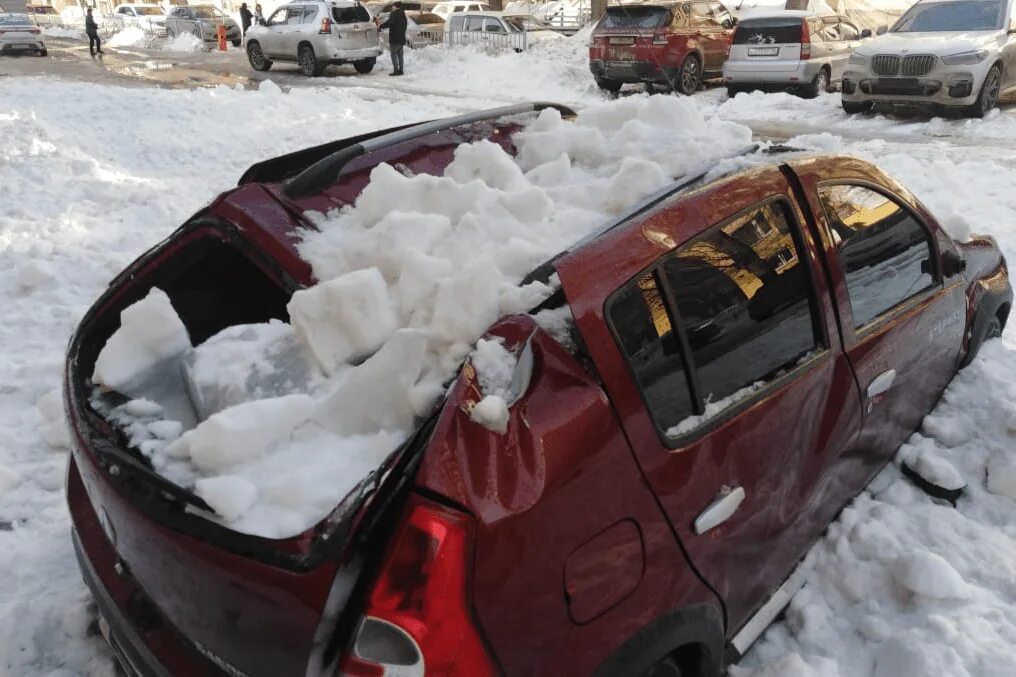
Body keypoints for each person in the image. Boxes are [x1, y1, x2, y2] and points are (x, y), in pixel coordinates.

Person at [376, 2, 407, 76]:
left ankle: (396, 71)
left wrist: (380, 26)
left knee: (393, 54)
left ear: (395, 7)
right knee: (400, 55)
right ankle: (401, 70)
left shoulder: (394, 14)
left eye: (393, 6)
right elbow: (405, 25)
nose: (392, 7)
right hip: (401, 38)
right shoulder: (403, 14)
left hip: (394, 38)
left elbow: (390, 23)